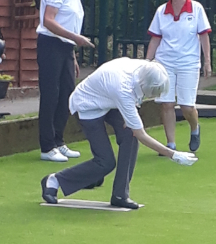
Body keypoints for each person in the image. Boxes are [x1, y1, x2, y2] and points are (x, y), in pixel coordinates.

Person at [40, 58, 198, 209]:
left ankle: (120, 195)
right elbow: (141, 134)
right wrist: (173, 155)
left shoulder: (147, 69)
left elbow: (135, 114)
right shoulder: (123, 89)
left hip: (110, 101)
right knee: (105, 162)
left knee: (129, 135)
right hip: (88, 104)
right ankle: (53, 181)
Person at [36, 0, 95, 162]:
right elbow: (48, 20)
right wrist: (76, 38)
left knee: (67, 94)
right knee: (51, 94)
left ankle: (59, 141)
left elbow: (69, 20)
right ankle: (47, 145)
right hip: (51, 44)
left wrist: (73, 53)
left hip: (65, 47)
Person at [145, 0, 212, 153]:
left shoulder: (196, 8)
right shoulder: (161, 11)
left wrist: (207, 62)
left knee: (186, 106)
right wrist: (146, 62)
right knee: (166, 103)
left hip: (188, 63)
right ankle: (171, 144)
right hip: (164, 62)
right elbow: (156, 38)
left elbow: (204, 36)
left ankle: (194, 128)